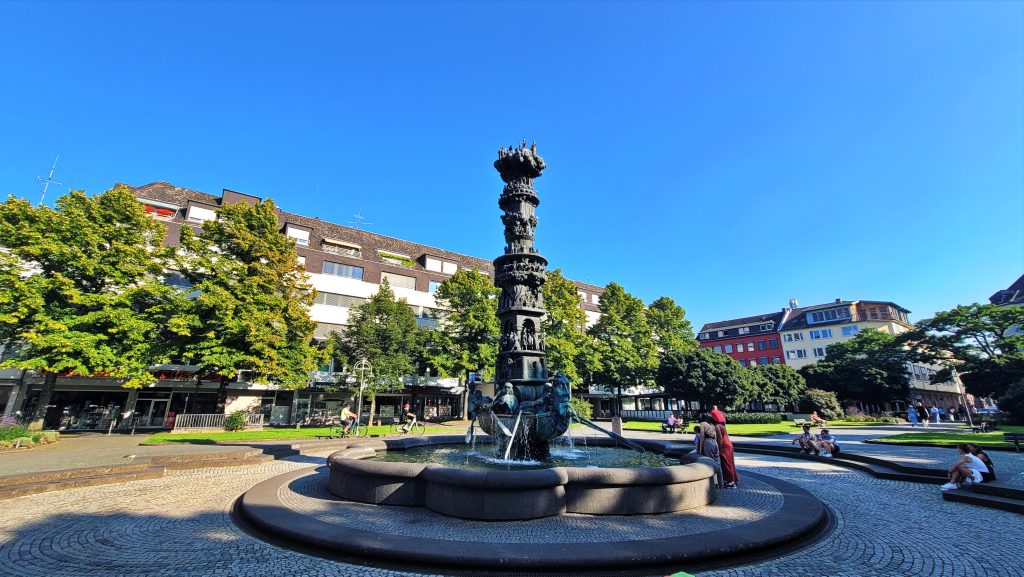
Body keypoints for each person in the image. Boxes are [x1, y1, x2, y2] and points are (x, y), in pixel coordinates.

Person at [696, 413, 722, 486]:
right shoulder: (712, 425)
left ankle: (714, 483)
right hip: (714, 442)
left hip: (708, 442)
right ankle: (721, 482)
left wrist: (700, 448)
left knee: (709, 461)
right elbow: (715, 435)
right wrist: (715, 443)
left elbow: (702, 436)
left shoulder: (703, 424)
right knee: (717, 462)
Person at [715, 419, 739, 488]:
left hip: (724, 446)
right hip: (728, 445)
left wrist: (718, 448)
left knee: (726, 464)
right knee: (730, 464)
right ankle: (734, 479)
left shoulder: (717, 426)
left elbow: (720, 438)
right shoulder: (722, 426)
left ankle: (731, 482)